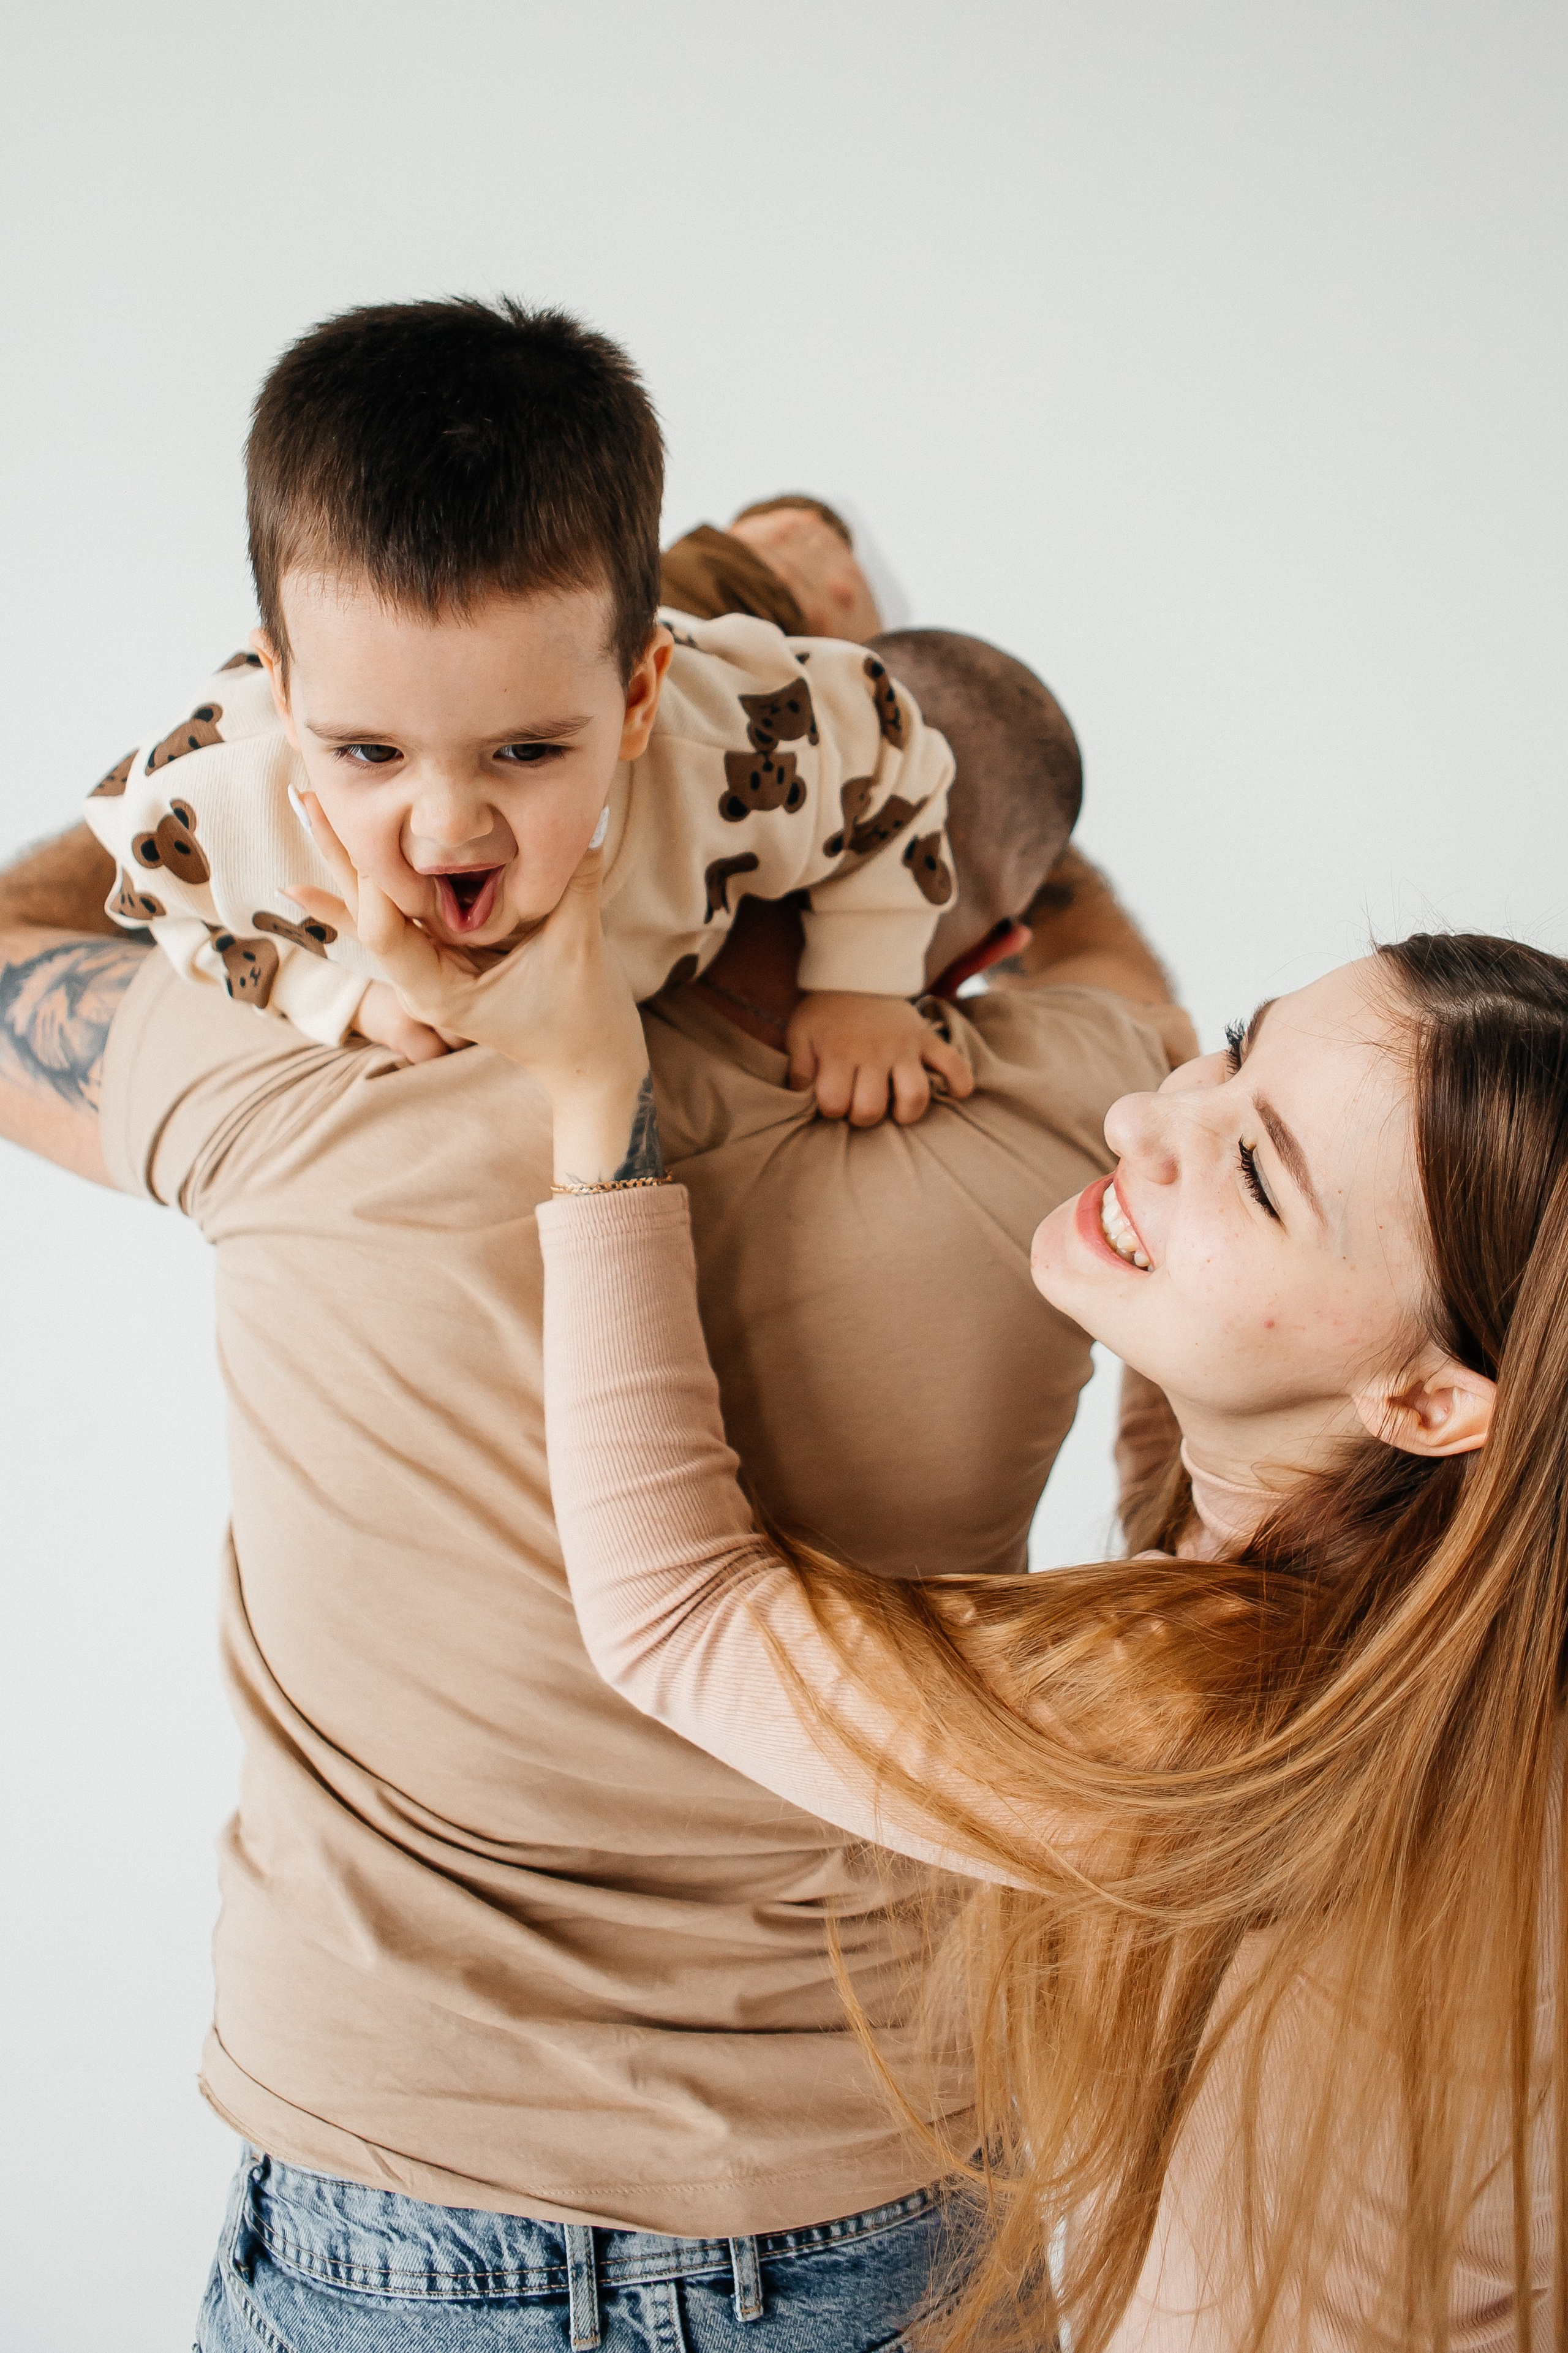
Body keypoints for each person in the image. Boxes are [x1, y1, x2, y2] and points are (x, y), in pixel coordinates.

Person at [0, 521, 1189, 2344]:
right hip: (886, 2197)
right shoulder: (1089, 1132)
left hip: (395, 2200)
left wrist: (565, 658)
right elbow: (1083, 947)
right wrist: (860, 727)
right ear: (992, 938)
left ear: (645, 747)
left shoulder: (311, 1078)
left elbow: (39, 925)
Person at [346, 844, 1568, 2349]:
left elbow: (678, 1613)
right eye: (1231, 1048)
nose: (1142, 1114)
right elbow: (1181, 1452)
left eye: (1256, 1172)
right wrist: (961, 835)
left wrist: (599, 1092)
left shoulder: (1232, 1735)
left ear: (1430, 1401)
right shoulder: (1451, 1603)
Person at [83, 296, 970, 1126]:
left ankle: (780, 546)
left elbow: (896, 763)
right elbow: (160, 900)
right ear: (284, 699)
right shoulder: (210, 805)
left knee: (752, 589)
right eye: (370, 753)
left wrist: (864, 986)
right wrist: (337, 994)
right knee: (569, 630)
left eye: (525, 753)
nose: (449, 827)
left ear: (637, 698)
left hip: (670, 642)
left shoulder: (738, 743)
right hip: (552, 657)